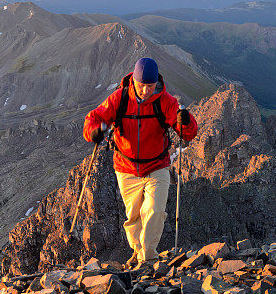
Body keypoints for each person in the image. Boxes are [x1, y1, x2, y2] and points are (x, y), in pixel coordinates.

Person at [83, 57, 198, 269]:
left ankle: (149, 258)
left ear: (157, 83)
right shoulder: (120, 98)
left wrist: (186, 121)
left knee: (154, 210)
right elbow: (94, 118)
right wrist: (95, 131)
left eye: (150, 86)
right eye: (141, 85)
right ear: (133, 81)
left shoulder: (166, 102)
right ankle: (138, 253)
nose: (145, 91)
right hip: (126, 168)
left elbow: (188, 134)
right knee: (133, 216)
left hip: (157, 165)